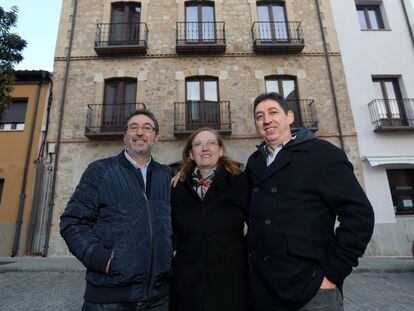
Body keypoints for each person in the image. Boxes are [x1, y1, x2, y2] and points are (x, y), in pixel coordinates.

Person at [246, 92, 375, 311]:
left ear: (290, 117)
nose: (266, 120)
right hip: (264, 289)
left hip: (312, 290)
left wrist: (331, 274)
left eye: (273, 112)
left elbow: (359, 216)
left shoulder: (322, 154)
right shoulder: (255, 162)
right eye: (259, 116)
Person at [60, 109, 172, 311]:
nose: (140, 132)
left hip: (158, 298)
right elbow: (73, 221)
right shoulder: (100, 170)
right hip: (108, 298)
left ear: (156, 136)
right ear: (125, 135)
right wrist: (100, 258)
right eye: (134, 127)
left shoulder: (167, 175)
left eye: (147, 128)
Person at [170, 127, 249, 311]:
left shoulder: (239, 182)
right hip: (187, 289)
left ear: (220, 151)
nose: (205, 148)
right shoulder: (177, 187)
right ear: (191, 154)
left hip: (230, 286)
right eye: (198, 144)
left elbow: (258, 223)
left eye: (211, 143)